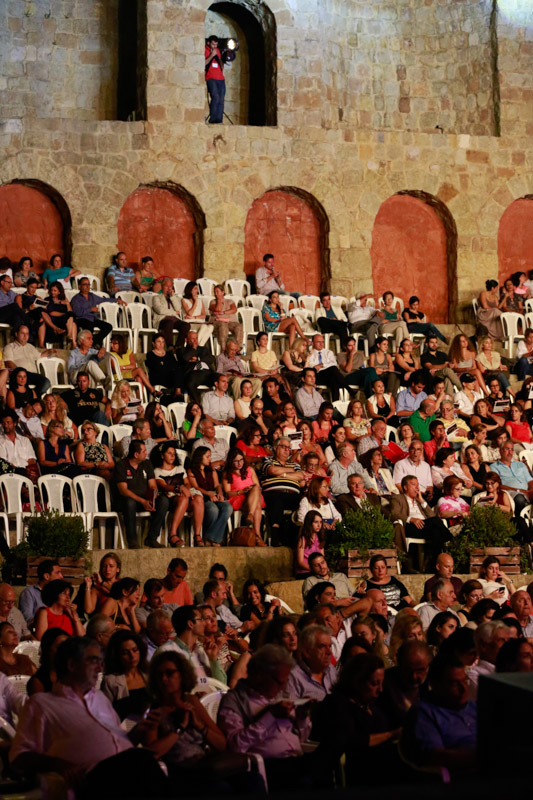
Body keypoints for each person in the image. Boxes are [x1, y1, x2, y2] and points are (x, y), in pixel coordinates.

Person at [10, 636, 171, 796]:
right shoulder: (42, 704)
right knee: (144, 761)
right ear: (72, 665)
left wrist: (137, 732)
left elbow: (118, 744)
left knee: (148, 762)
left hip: (124, 771)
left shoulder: (100, 698)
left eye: (100, 662)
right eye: (93, 661)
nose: (100, 668)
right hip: (91, 780)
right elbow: (18, 757)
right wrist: (57, 764)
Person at [218, 644, 314, 790]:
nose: (282, 687)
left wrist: (301, 717)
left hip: (295, 760)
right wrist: (270, 716)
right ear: (260, 675)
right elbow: (236, 745)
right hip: (267, 766)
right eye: (279, 682)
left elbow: (301, 739)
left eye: (285, 682)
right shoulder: (236, 700)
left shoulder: (276, 696)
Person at [312, 653, 400, 786]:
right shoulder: (338, 704)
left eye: (381, 683)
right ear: (357, 681)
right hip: (356, 775)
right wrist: (390, 735)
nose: (380, 690)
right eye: (374, 684)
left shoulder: (373, 706)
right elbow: (351, 741)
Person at [402, 656, 477, 775]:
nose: (463, 688)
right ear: (436, 685)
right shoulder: (425, 713)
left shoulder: (474, 708)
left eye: (464, 681)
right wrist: (480, 756)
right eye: (454, 684)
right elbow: (435, 756)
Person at [111, 440, 168, 549]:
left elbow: (152, 485)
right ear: (136, 454)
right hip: (125, 501)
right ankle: (132, 541)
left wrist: (153, 496)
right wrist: (143, 501)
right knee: (130, 502)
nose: (146, 453)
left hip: (144, 500)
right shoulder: (121, 465)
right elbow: (123, 490)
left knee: (163, 501)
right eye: (144, 451)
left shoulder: (146, 463)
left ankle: (151, 538)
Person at [389, 475, 450, 569]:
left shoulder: (419, 501)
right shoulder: (398, 498)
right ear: (405, 487)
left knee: (436, 532)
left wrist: (421, 501)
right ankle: (450, 539)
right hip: (410, 527)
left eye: (418, 485)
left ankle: (433, 566)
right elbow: (394, 514)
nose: (417, 488)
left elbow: (432, 516)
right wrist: (411, 519)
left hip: (425, 527)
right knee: (436, 522)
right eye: (413, 485)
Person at [154, 442, 203, 548]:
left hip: (185, 495)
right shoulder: (157, 471)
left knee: (198, 498)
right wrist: (179, 488)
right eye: (169, 453)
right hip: (170, 498)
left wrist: (187, 489)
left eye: (174, 453)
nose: (172, 456)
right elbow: (163, 486)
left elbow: (187, 483)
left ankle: (197, 535)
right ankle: (172, 534)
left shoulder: (180, 468)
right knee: (183, 498)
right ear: (162, 455)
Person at [261, 436, 306, 546]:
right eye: (284, 447)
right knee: (278, 500)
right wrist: (291, 472)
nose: (287, 450)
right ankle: (276, 536)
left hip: (292, 494)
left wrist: (283, 474)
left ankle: (298, 534)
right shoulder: (268, 460)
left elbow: (301, 476)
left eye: (289, 448)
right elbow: (272, 470)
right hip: (273, 494)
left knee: (304, 501)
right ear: (275, 448)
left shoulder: (295, 464)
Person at [188, 445, 232, 546]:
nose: (210, 459)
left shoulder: (211, 470)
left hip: (215, 496)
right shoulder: (192, 470)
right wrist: (208, 493)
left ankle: (210, 537)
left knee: (228, 507)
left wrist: (220, 493)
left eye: (210, 456)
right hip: (203, 497)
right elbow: (196, 487)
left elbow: (217, 485)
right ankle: (214, 540)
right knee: (213, 510)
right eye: (207, 456)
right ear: (200, 457)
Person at [101, 630, 150, 721]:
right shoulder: (110, 681)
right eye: (125, 653)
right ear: (117, 656)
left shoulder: (149, 674)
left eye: (135, 650)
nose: (132, 656)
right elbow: (105, 715)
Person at [380, 641, 431, 726]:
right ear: (399, 664)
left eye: (420, 671)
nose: (414, 676)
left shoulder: (436, 682)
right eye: (408, 670)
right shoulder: (384, 683)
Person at [222, 448, 265, 545]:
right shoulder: (227, 474)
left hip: (253, 496)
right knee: (257, 504)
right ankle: (258, 536)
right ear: (231, 461)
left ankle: (250, 515)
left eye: (241, 460)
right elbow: (228, 493)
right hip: (238, 498)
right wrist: (241, 491)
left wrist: (250, 490)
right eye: (236, 461)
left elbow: (257, 486)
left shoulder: (250, 470)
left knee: (255, 490)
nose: (239, 463)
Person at [287, 624, 336, 700]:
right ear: (307, 652)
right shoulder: (293, 677)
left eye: (329, 646)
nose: (329, 652)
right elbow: (289, 709)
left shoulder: (331, 670)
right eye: (322, 646)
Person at [3, 324, 53, 396]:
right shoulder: (10, 347)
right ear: (16, 334)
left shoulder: (31, 347)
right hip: (20, 375)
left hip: (32, 375)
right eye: (22, 333)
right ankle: (32, 400)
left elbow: (40, 356)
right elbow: (8, 362)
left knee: (46, 382)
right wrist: (20, 372)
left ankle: (32, 399)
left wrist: (49, 352)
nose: (25, 336)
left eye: (27, 334)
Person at [467, 620, 510, 699]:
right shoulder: (474, 678)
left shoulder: (511, 671)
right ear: (483, 645)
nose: (507, 646)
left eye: (508, 641)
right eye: (501, 640)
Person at [70, 276, 118, 345]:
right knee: (89, 325)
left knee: (108, 326)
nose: (87, 286)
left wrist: (116, 300)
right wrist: (90, 309)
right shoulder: (76, 299)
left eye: (88, 284)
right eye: (85, 284)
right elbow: (77, 313)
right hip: (81, 319)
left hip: (93, 319)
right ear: (79, 286)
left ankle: (94, 341)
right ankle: (91, 344)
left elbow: (104, 300)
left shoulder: (92, 296)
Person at [491, 439, 533, 515]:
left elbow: (530, 480)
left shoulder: (520, 465)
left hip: (527, 492)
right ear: (500, 451)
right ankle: (520, 523)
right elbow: (498, 485)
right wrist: (519, 491)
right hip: (511, 493)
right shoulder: (494, 467)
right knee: (520, 499)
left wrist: (531, 490)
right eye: (507, 449)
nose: (510, 452)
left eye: (512, 449)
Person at [19, 559, 63, 626]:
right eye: (57, 573)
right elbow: (26, 619)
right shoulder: (29, 593)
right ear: (46, 576)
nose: (61, 577)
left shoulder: (59, 594)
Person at [27, 627, 71, 696]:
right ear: (48, 649)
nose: (65, 650)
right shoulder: (37, 682)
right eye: (60, 647)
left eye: (67, 647)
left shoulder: (71, 675)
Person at [177, 329, 216, 403]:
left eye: (196, 338)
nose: (195, 340)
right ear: (186, 340)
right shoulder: (182, 350)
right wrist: (193, 349)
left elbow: (212, 358)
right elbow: (185, 358)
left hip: (208, 373)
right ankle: (198, 405)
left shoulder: (204, 349)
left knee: (221, 379)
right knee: (190, 384)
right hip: (194, 373)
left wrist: (198, 359)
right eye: (192, 338)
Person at [0, 409, 39, 484]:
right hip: (10, 475)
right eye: (3, 423)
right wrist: (21, 471)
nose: (5, 425)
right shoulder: (1, 441)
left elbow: (31, 460)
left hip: (26, 474)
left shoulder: (25, 440)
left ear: (14, 423)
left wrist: (31, 472)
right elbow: (4, 463)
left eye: (8, 422)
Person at [305, 333, 346, 401]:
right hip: (317, 376)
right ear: (312, 343)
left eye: (322, 342)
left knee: (333, 378)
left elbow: (334, 363)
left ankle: (335, 403)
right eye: (318, 342)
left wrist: (321, 365)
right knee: (333, 370)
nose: (321, 344)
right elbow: (312, 366)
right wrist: (326, 365)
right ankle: (346, 387)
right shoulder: (309, 353)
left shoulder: (328, 352)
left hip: (328, 376)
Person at [151, 278, 190, 348]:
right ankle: (170, 346)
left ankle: (179, 346)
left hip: (175, 320)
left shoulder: (175, 298)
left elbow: (178, 308)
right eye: (167, 286)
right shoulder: (156, 297)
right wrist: (174, 313)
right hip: (162, 320)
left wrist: (172, 296)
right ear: (162, 286)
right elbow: (160, 310)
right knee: (169, 322)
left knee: (186, 325)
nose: (169, 288)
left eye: (170, 286)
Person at [145, 333, 185, 401]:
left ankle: (178, 392)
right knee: (174, 373)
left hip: (169, 377)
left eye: (163, 342)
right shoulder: (150, 354)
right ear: (153, 343)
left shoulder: (169, 354)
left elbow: (175, 366)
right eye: (158, 341)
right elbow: (154, 367)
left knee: (179, 370)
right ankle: (175, 392)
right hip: (157, 377)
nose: (161, 344)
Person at [180, 281, 213, 345]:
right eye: (195, 288)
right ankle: (196, 345)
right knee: (204, 327)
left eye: (197, 289)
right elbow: (190, 313)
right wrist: (195, 302)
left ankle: (198, 346)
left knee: (211, 327)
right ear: (190, 289)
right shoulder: (184, 300)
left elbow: (203, 315)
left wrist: (195, 317)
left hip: (199, 321)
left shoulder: (200, 300)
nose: (197, 291)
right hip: (190, 322)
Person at [295, 511, 326, 575]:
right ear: (310, 523)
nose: (319, 525)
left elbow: (322, 557)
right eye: (316, 522)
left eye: (320, 522)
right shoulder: (303, 539)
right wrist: (314, 569)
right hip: (305, 571)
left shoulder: (320, 538)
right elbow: (300, 562)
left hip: (317, 571)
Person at [205, 34, 226, 123]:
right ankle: (213, 119)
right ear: (209, 43)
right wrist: (212, 55)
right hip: (211, 77)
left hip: (221, 78)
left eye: (216, 45)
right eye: (213, 44)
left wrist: (220, 58)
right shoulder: (205, 50)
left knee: (221, 99)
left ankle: (219, 119)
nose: (215, 46)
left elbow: (221, 66)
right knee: (215, 97)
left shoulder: (217, 51)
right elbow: (204, 63)